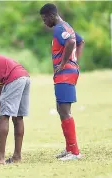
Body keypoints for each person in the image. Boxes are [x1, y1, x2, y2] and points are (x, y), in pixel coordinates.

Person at [39, 3, 85, 161]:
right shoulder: (67, 26)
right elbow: (80, 41)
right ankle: (69, 149)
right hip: (67, 73)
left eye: (44, 19)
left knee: (64, 111)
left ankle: (75, 152)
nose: (44, 22)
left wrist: (65, 63)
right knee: (61, 109)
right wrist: (75, 61)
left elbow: (72, 43)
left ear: (51, 15)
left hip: (65, 74)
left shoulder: (59, 28)